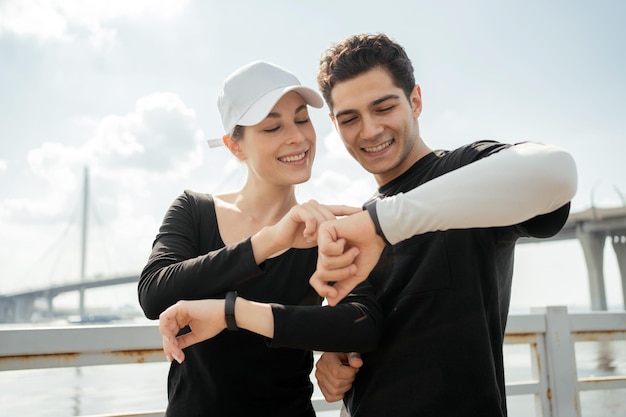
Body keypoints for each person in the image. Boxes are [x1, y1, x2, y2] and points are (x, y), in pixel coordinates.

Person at [159, 33, 578, 417]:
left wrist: (382, 224)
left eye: (384, 107)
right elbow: (363, 324)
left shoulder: (462, 174)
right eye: (350, 118)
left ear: (415, 101)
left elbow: (556, 172)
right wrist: (335, 358)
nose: (371, 129)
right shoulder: (355, 222)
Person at [138, 60, 362, 417]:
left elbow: (356, 321)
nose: (297, 137)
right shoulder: (194, 211)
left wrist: (340, 355)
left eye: (302, 119)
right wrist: (270, 241)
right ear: (234, 146)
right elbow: (154, 295)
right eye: (273, 127)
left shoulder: (321, 229)